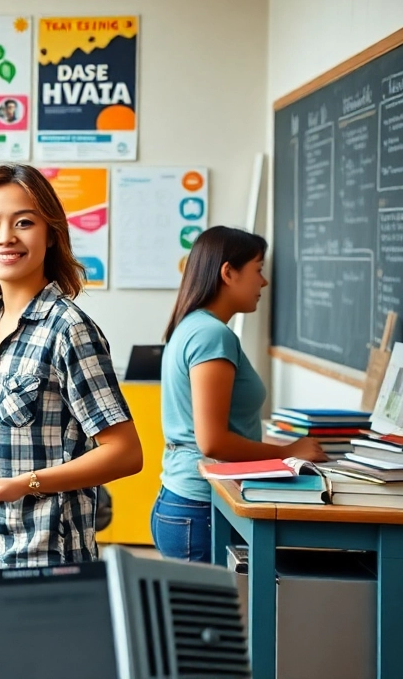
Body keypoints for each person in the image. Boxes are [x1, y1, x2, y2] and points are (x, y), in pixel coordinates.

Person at [0, 164, 142, 569]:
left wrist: (26, 485)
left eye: (23, 222)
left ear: (51, 235)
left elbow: (126, 453)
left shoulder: (68, 328)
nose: (5, 237)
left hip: (46, 561)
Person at [151, 227, 325, 563]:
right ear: (228, 272)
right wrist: (287, 453)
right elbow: (213, 442)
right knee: (213, 616)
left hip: (185, 503)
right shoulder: (211, 335)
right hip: (199, 508)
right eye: (258, 270)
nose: (264, 282)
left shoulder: (194, 326)